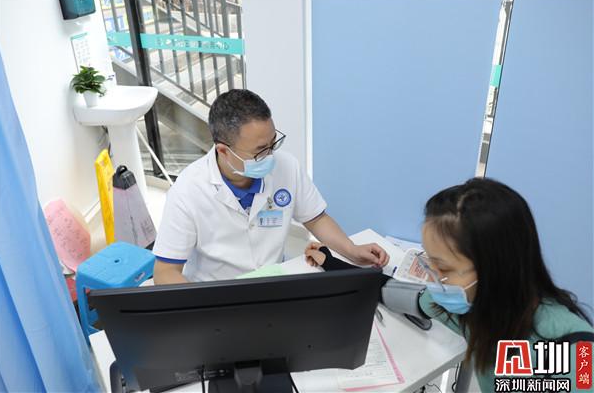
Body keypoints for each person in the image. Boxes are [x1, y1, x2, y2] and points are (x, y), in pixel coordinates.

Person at [305, 177, 593, 392]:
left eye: (443, 268)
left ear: (495, 267)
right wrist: (329, 261)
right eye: (430, 263)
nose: (434, 279)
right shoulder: (473, 307)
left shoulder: (575, 352)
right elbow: (389, 291)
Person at [152, 89, 389, 284]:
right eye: (259, 151)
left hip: (273, 282)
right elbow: (165, 272)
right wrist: (206, 308)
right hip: (216, 292)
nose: (270, 156)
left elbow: (316, 218)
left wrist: (352, 250)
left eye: (273, 143)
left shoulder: (287, 166)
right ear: (223, 151)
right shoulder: (188, 191)